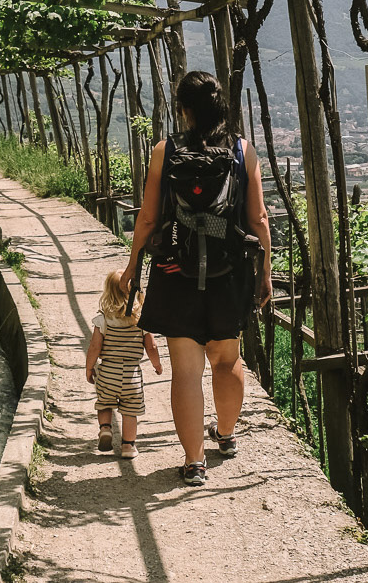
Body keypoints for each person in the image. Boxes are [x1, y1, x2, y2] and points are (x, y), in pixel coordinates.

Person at [121, 71, 272, 486]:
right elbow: (258, 218)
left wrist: (134, 265)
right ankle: (225, 435)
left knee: (185, 372)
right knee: (227, 360)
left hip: (175, 272)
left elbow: (149, 217)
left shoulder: (164, 150)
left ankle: (193, 462)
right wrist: (265, 273)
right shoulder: (243, 151)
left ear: (183, 110)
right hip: (229, 274)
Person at [85, 270, 163, 459]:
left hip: (107, 371)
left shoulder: (103, 318)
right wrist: (157, 364)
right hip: (132, 374)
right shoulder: (141, 319)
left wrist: (89, 367)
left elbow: (95, 346)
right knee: (130, 411)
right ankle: (128, 446)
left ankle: (105, 429)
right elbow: (151, 346)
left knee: (104, 402)